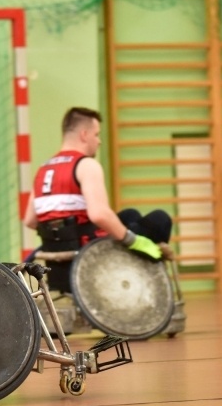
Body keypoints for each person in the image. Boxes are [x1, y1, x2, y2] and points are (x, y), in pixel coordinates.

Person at [23, 107, 174, 291]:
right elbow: (99, 215)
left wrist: (59, 231)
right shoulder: (86, 165)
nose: (99, 141)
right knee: (160, 218)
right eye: (97, 134)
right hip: (89, 255)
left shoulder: (43, 169)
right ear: (84, 134)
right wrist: (134, 241)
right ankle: (144, 280)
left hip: (56, 255)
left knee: (129, 214)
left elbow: (30, 220)